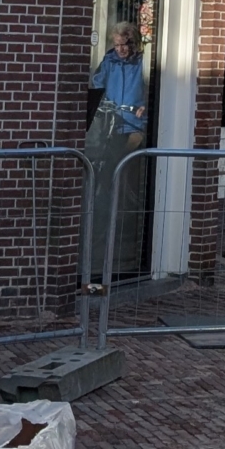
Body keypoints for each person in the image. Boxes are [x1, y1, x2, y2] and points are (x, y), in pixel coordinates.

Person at [84, 23, 149, 275]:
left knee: (118, 169)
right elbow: (97, 84)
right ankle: (103, 223)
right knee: (107, 171)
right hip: (112, 124)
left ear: (133, 44)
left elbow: (147, 88)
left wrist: (145, 106)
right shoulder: (110, 61)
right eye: (117, 45)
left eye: (125, 45)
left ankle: (116, 223)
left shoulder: (141, 63)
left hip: (134, 126)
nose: (121, 49)